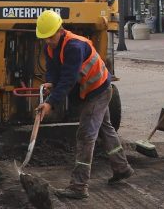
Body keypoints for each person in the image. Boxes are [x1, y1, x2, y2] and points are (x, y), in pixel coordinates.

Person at [35, 10, 132, 199]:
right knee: (106, 129)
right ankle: (122, 168)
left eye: (50, 37)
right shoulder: (50, 47)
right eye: (44, 38)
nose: (48, 41)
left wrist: (50, 103)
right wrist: (50, 83)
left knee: (85, 135)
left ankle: (78, 186)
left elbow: (69, 79)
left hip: (99, 91)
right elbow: (54, 72)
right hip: (89, 91)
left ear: (60, 30)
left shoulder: (74, 46)